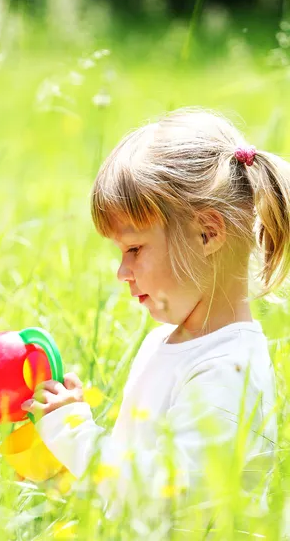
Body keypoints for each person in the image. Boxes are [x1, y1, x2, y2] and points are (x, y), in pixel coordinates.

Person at [22, 107, 287, 527]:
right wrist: (61, 465)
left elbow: (157, 500)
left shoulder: (227, 372)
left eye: (134, 249)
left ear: (208, 233)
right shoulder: (168, 342)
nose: (121, 272)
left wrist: (73, 434)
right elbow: (132, 480)